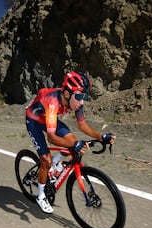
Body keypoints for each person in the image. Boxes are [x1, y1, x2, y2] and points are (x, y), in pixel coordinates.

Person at [25, 71, 115, 213]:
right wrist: (74, 145)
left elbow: (82, 125)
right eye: (79, 96)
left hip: (49, 119)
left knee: (73, 143)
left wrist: (101, 137)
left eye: (84, 96)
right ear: (67, 94)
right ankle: (41, 196)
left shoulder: (76, 101)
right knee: (46, 161)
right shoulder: (53, 102)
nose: (82, 101)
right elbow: (52, 138)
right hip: (34, 121)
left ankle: (56, 164)